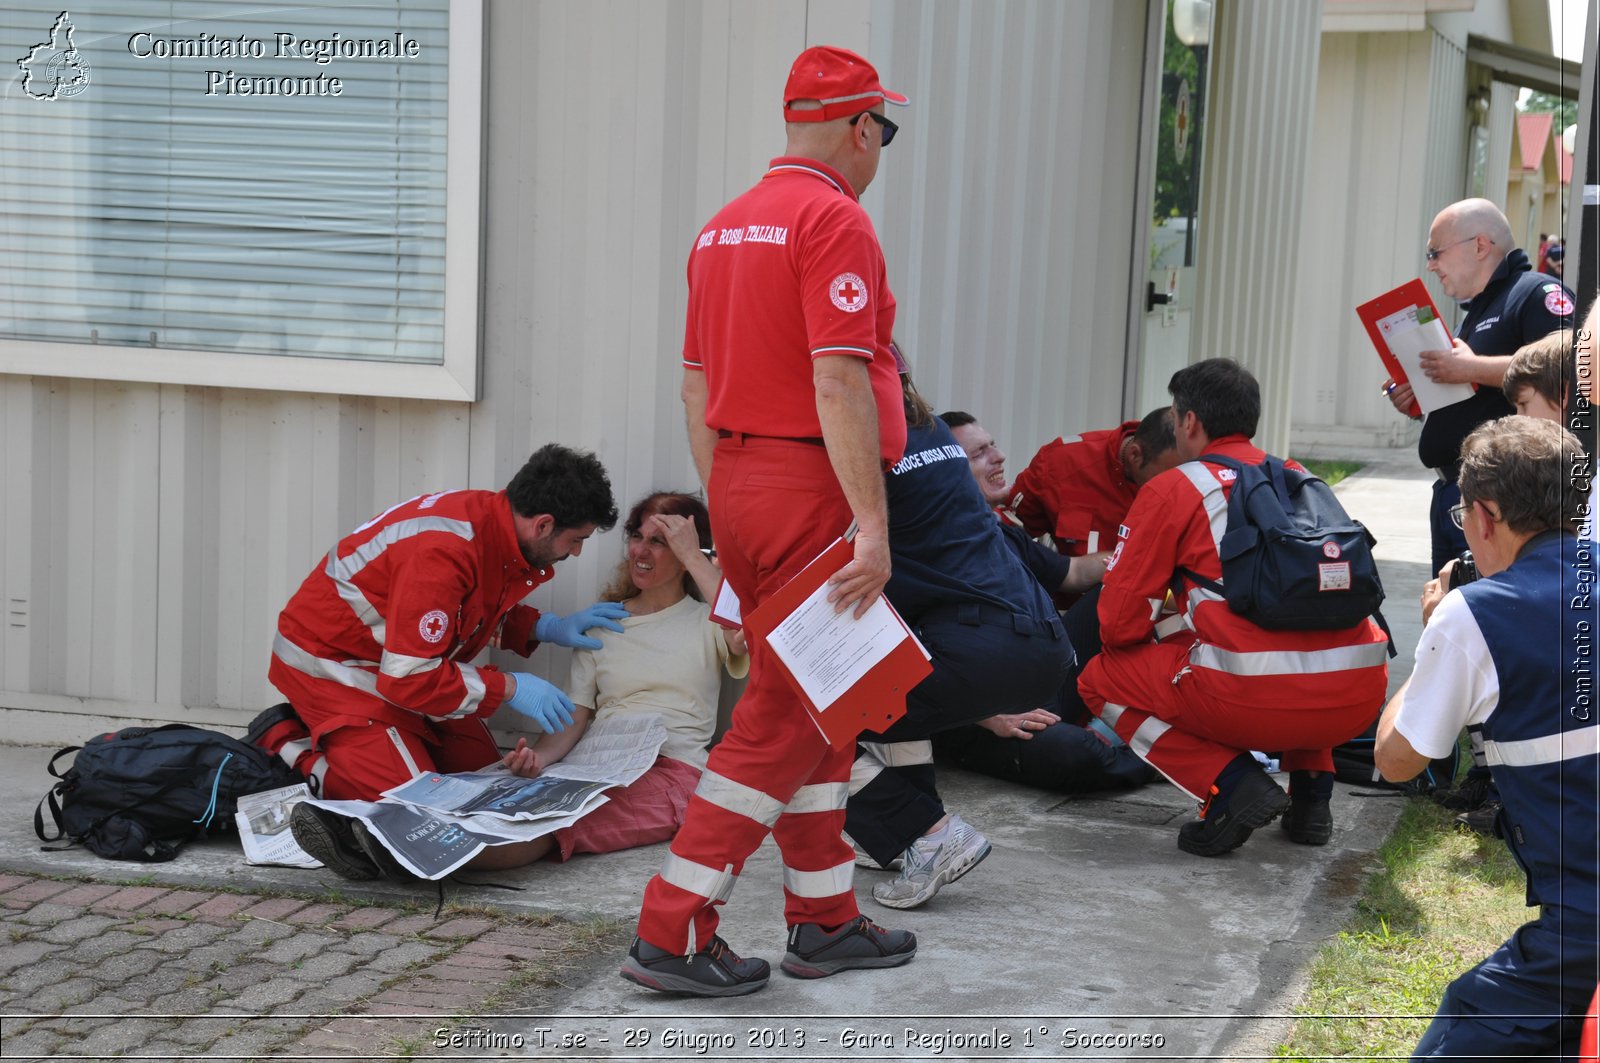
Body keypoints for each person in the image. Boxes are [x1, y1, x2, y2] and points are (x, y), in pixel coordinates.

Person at [623, 45, 916, 998]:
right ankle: (672, 925)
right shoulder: (834, 220)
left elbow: (694, 386)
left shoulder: (721, 231)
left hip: (746, 479)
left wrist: (731, 524)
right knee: (784, 716)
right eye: (885, 130)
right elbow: (839, 379)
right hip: (811, 485)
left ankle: (824, 916)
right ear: (860, 126)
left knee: (829, 707)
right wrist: (869, 528)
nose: (882, 146)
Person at [1079, 359, 1390, 856]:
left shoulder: (1174, 487)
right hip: (1357, 696)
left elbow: (1117, 624)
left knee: (1100, 677)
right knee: (1302, 630)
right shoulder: (1300, 476)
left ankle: (1232, 785)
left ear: (1190, 422)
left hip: (1254, 700)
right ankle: (1312, 796)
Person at [273, 444, 626, 877]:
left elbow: (459, 614)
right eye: (577, 540)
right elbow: (408, 679)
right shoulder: (443, 552)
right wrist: (510, 688)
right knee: (416, 813)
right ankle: (292, 747)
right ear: (543, 524)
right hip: (333, 669)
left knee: (480, 778)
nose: (576, 554)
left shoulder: (490, 527)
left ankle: (365, 756)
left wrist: (542, 626)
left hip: (399, 664)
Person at [1374, 416, 1597, 1058]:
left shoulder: (1476, 612)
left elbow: (1396, 760)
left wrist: (1431, 641)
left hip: (1585, 924)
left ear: (1485, 515)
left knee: (1468, 1024)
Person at [844, 362, 1073, 909]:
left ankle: (928, 832)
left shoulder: (865, 446)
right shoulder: (933, 431)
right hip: (1038, 640)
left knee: (808, 722)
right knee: (886, 695)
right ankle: (919, 841)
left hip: (981, 643)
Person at [495, 493, 748, 865]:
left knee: (557, 824)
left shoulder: (708, 619)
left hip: (672, 769)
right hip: (598, 763)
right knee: (506, 798)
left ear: (686, 552)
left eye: (659, 541)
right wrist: (538, 759)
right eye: (636, 536)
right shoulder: (603, 623)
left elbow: (747, 633)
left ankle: (454, 859)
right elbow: (575, 717)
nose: (640, 551)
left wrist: (698, 558)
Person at [1385, 198, 1574, 576]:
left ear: (1480, 245)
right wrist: (1421, 398)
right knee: (1451, 612)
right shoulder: (1477, 312)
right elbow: (1473, 395)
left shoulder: (1536, 294)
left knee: (1483, 617)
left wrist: (1470, 367)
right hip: (1457, 494)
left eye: (1435, 252)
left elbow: (1569, 367)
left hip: (1503, 503)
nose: (1430, 265)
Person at [1009, 408, 1183, 562]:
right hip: (1073, 595)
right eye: (1162, 478)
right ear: (1134, 455)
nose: (1173, 488)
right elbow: (1009, 533)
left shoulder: (1195, 480)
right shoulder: (1061, 464)